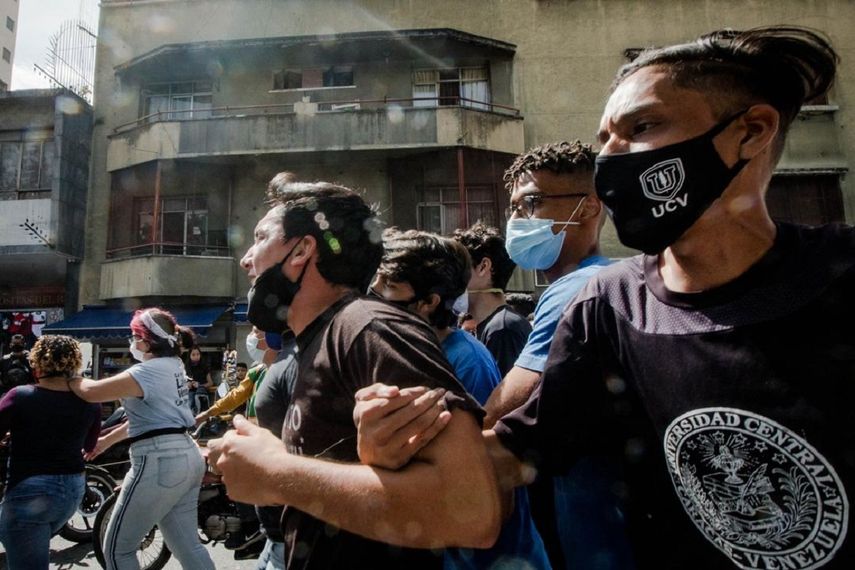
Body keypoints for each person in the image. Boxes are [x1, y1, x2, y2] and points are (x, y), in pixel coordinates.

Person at [356, 26, 854, 569]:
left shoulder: (840, 274)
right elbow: (516, 453)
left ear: (751, 131)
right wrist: (403, 440)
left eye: (641, 127)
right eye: (604, 141)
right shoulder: (610, 304)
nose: (611, 161)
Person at [208, 176, 497, 569]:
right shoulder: (318, 338)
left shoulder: (369, 328)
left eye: (260, 238)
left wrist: (276, 473)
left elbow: (473, 512)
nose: (246, 258)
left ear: (302, 250)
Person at [373, 228, 550, 569]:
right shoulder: (417, 352)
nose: (376, 296)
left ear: (428, 302)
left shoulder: (466, 362)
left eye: (389, 287)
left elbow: (481, 475)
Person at [69, 308, 214, 570]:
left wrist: (70, 375)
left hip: (160, 460)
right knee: (188, 547)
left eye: (135, 336)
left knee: (116, 550)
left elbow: (91, 392)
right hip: (186, 454)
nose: (132, 342)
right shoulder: (175, 366)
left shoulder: (147, 372)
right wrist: (106, 441)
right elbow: (153, 420)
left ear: (147, 341)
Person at [0, 335, 101, 570]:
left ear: (36, 363)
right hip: (71, 492)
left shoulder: (20, 395)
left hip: (31, 491)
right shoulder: (90, 401)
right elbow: (90, 444)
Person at [452, 222, 532, 377]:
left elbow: (504, 397)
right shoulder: (493, 324)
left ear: (483, 267)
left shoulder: (503, 328)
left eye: (457, 268)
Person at [184, 346, 213, 414]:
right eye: (193, 355)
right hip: (189, 392)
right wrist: (187, 385)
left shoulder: (204, 366)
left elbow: (210, 383)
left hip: (201, 392)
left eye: (198, 354)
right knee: (189, 403)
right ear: (189, 356)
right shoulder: (186, 367)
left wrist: (200, 385)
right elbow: (181, 383)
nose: (196, 356)